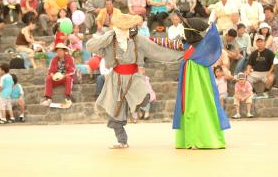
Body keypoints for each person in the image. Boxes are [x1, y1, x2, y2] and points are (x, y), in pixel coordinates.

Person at [86, 13, 183, 149]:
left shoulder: (138, 39)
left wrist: (181, 55)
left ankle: (136, 107)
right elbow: (90, 46)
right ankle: (122, 141)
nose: (127, 29)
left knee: (143, 97)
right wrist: (107, 36)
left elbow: (157, 51)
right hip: (116, 79)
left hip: (134, 78)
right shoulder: (110, 40)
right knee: (115, 112)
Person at [172, 16, 230, 149]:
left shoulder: (203, 46)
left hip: (200, 81)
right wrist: (149, 39)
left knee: (200, 106)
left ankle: (204, 138)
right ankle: (191, 138)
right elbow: (168, 43)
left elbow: (215, 43)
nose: (183, 32)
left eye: (185, 29)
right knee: (188, 107)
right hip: (189, 80)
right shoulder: (186, 44)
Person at [40, 43, 75, 108]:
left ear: (64, 51)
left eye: (60, 50)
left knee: (68, 78)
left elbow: (72, 70)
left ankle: (68, 97)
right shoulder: (54, 60)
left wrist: (64, 75)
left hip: (65, 77)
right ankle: (48, 98)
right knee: (48, 78)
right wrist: (53, 75)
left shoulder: (70, 58)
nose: (59, 52)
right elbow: (50, 70)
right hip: (56, 78)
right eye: (57, 51)